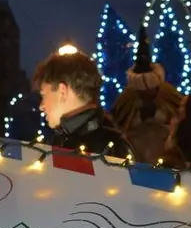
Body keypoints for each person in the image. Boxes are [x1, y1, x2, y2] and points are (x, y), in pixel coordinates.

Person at [32, 48, 131, 157]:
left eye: (43, 95)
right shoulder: (112, 145)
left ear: (62, 91)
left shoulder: (111, 148)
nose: (41, 106)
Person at [110, 25, 183, 165]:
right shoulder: (126, 100)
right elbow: (118, 125)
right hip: (135, 157)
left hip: (166, 159)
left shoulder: (169, 95)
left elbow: (179, 125)